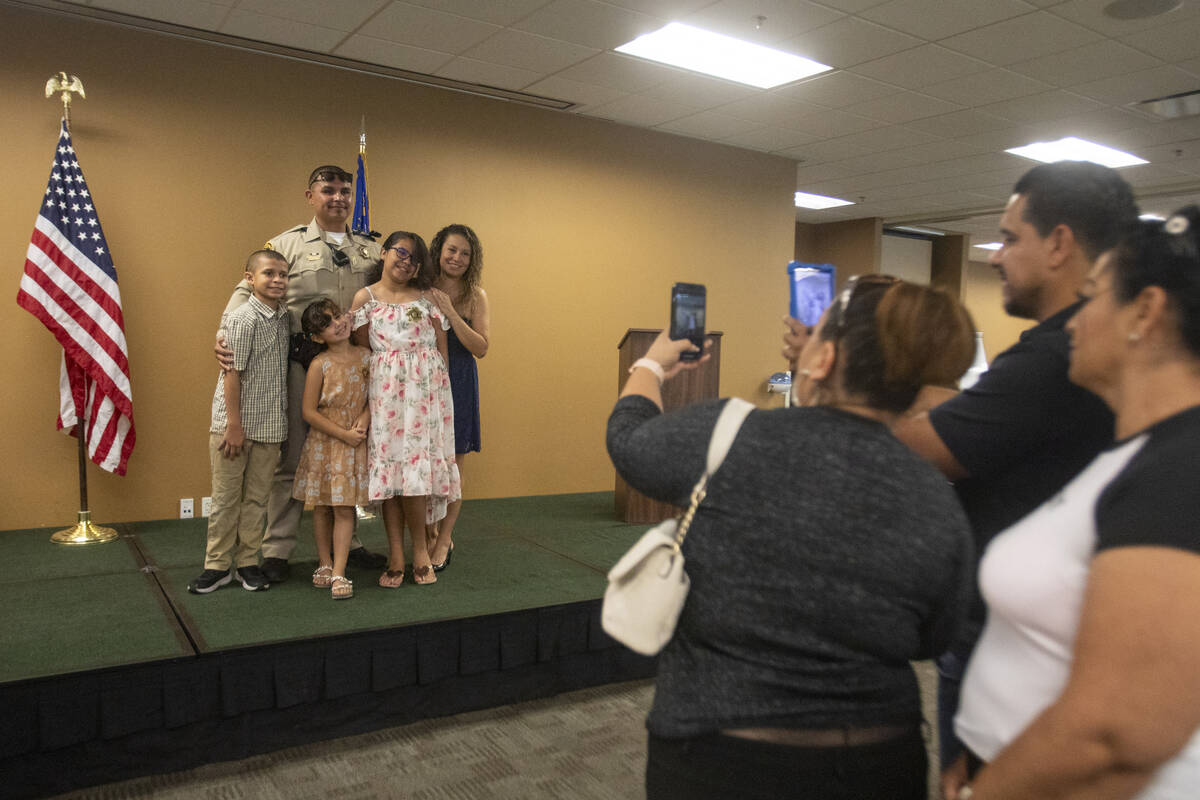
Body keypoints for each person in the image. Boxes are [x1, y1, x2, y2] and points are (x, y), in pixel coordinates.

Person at [785, 162, 1138, 773]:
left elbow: (906, 447)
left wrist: (835, 375)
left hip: (1022, 653)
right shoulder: (1061, 361)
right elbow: (977, 414)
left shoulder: (1054, 361)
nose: (996, 255)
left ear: (1059, 244)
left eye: (1009, 237)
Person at [609, 276, 976, 800]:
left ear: (824, 361)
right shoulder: (932, 490)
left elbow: (628, 441)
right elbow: (935, 637)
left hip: (720, 761)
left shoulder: (728, 435)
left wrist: (650, 364)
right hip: (881, 764)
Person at [947, 207, 1200, 800]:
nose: (1073, 324)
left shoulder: (1183, 466)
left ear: (1146, 312)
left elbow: (1114, 737)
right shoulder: (1132, 453)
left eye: (1090, 299)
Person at [218, 165, 386, 584]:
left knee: (351, 457)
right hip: (302, 366)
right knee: (291, 461)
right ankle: (277, 548)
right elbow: (244, 292)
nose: (338, 197)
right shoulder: (286, 245)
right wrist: (224, 333)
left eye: (345, 191)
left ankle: (353, 544)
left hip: (355, 369)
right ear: (310, 196)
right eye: (327, 190)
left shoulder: (369, 249)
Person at [351, 231, 460, 587]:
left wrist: (438, 401)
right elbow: (362, 355)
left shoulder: (429, 300)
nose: (406, 261)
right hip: (385, 396)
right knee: (391, 476)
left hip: (425, 397)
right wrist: (367, 405)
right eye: (400, 252)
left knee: (416, 477)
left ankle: (420, 552)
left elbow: (442, 352)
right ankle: (395, 554)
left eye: (414, 258)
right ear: (383, 253)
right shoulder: (364, 299)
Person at [188, 250, 290, 595]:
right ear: (250, 279)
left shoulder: (284, 318)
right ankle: (216, 566)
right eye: (269, 274)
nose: (277, 280)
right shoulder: (242, 318)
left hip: (270, 426)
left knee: (258, 499)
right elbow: (232, 373)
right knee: (226, 498)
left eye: (283, 275)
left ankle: (248, 562)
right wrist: (234, 424)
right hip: (234, 426)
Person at [292, 299, 372, 600]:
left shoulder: (366, 357)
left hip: (353, 441)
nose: (337, 323)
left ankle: (340, 570)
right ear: (317, 336)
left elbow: (372, 399)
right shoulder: (318, 365)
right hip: (326, 442)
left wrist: (362, 424)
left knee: (343, 506)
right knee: (323, 505)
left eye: (337, 316)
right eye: (327, 323)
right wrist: (343, 434)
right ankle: (324, 562)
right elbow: (309, 412)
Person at [424, 224, 489, 572]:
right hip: (421, 382)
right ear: (439, 250)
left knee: (453, 469)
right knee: (422, 463)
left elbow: (481, 347)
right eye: (452, 250)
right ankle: (427, 532)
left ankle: (445, 537)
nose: (457, 258)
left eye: (465, 253)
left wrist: (450, 312)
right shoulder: (420, 288)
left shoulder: (475, 296)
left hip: (460, 381)